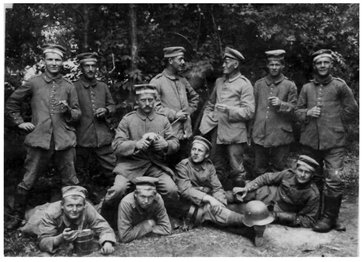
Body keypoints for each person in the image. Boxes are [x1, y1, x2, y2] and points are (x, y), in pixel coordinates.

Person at [5, 44, 81, 230]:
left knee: (71, 180)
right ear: (44, 61)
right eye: (50, 59)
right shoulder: (34, 82)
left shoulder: (68, 86)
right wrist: (20, 122)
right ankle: (16, 216)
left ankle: (75, 218)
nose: (54, 63)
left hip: (64, 140)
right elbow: (12, 102)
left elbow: (78, 113)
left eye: (57, 60)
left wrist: (68, 111)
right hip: (39, 139)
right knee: (28, 179)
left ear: (62, 62)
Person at [295, 49, 358, 232]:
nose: (322, 66)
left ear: (331, 65)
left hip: (334, 142)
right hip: (311, 141)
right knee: (314, 179)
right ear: (314, 66)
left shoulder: (340, 86)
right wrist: (307, 112)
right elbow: (297, 112)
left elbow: (352, 109)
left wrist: (336, 122)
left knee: (334, 180)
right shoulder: (307, 88)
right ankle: (318, 214)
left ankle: (330, 218)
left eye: (326, 62)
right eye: (319, 63)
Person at [100, 84, 180, 226]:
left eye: (151, 100)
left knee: (171, 189)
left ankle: (168, 217)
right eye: (143, 100)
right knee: (118, 190)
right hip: (129, 165)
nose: (148, 103)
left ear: (156, 100)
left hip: (155, 165)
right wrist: (136, 144)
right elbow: (117, 145)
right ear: (137, 101)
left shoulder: (162, 119)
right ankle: (106, 221)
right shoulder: (128, 119)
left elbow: (175, 142)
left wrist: (166, 145)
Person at [174, 136, 274, 246]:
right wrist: (211, 199)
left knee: (229, 199)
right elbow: (186, 190)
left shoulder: (209, 166)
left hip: (206, 198)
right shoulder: (183, 166)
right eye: (194, 149)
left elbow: (217, 187)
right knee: (217, 212)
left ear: (206, 155)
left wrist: (220, 203)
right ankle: (251, 223)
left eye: (200, 150)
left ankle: (253, 220)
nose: (196, 153)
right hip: (189, 203)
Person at [199, 47, 255, 188]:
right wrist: (207, 122)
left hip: (235, 134)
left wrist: (229, 110)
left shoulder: (244, 84)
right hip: (217, 132)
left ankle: (240, 199)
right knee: (216, 166)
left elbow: (249, 111)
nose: (223, 65)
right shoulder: (219, 82)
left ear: (235, 64)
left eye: (227, 62)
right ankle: (218, 199)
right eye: (224, 62)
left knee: (237, 170)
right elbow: (210, 104)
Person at [233, 155, 321, 228]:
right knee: (234, 195)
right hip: (264, 194)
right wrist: (247, 187)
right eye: (300, 170)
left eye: (307, 172)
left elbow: (309, 220)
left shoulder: (313, 193)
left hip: (275, 211)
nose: (302, 175)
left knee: (239, 211)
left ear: (312, 175)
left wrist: (280, 217)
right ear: (296, 169)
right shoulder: (288, 174)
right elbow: (266, 178)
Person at [150, 46, 199, 166]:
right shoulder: (157, 81)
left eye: (183, 59)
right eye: (180, 59)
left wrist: (188, 112)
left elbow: (195, 98)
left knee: (185, 168)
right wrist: (174, 114)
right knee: (168, 169)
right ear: (170, 61)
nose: (183, 62)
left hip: (186, 134)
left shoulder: (182, 80)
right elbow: (153, 107)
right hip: (168, 135)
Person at [73, 52, 116, 190]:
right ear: (81, 68)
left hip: (103, 137)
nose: (91, 69)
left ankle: (117, 198)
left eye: (93, 66)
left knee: (113, 171)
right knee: (81, 172)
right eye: (87, 66)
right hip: (83, 137)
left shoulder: (102, 86)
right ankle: (86, 198)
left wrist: (106, 110)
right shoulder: (74, 87)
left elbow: (112, 105)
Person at [252, 49, 297, 177]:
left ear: (282, 66)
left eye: (277, 64)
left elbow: (295, 109)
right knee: (259, 169)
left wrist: (281, 104)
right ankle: (260, 196)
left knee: (279, 170)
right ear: (267, 66)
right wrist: (251, 131)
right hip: (260, 134)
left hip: (280, 135)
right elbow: (253, 109)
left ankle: (278, 196)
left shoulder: (290, 85)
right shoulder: (259, 84)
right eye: (271, 64)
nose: (274, 67)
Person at [38, 186, 116, 255]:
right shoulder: (51, 213)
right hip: (39, 216)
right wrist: (60, 238)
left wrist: (107, 242)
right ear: (62, 205)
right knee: (32, 225)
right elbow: (43, 243)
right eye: (70, 205)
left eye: (78, 205)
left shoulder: (88, 209)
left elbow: (103, 227)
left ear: (84, 205)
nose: (74, 210)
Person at [117, 177, 172, 243]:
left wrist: (144, 230)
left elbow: (167, 229)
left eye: (150, 197)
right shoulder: (126, 203)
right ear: (136, 194)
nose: (146, 201)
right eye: (142, 196)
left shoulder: (157, 199)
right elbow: (124, 237)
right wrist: (146, 225)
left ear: (154, 195)